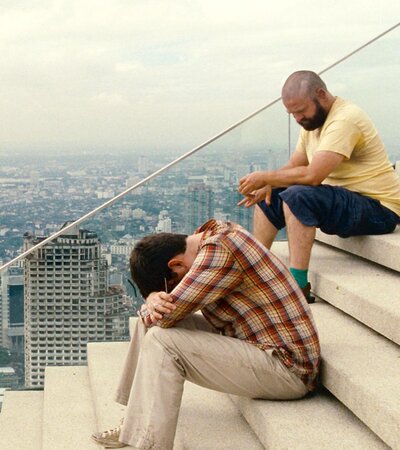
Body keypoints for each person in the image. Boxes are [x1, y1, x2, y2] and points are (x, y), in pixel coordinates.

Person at [91, 220, 319, 449]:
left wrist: (152, 300)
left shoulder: (220, 252)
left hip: (287, 370)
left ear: (176, 265)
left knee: (161, 337)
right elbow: (155, 317)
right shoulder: (209, 235)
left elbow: (165, 316)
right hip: (253, 343)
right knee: (148, 325)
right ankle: (134, 419)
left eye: (171, 286)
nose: (174, 291)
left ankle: (150, 444)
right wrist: (152, 299)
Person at [239, 70, 400, 301]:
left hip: (379, 209)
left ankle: (298, 287)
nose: (298, 119)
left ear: (321, 94)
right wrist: (269, 183)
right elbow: (296, 164)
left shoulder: (345, 119)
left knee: (299, 196)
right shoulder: (312, 123)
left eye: (301, 111)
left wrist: (266, 177)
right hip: (345, 200)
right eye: (292, 114)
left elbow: (313, 175)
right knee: (271, 194)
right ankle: (252, 272)